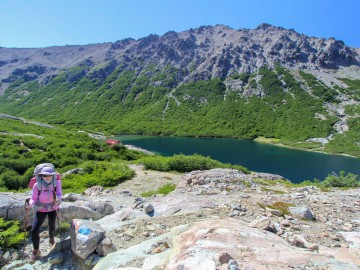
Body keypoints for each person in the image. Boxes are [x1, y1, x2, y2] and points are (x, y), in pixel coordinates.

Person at [27, 166, 62, 260]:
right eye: (45, 175)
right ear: (41, 176)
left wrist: (57, 198)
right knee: (34, 229)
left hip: (53, 207)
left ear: (52, 175)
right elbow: (33, 198)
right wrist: (30, 204)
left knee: (52, 224)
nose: (47, 177)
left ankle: (51, 238)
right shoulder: (37, 185)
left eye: (50, 175)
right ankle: (36, 250)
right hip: (41, 208)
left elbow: (59, 193)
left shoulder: (57, 183)